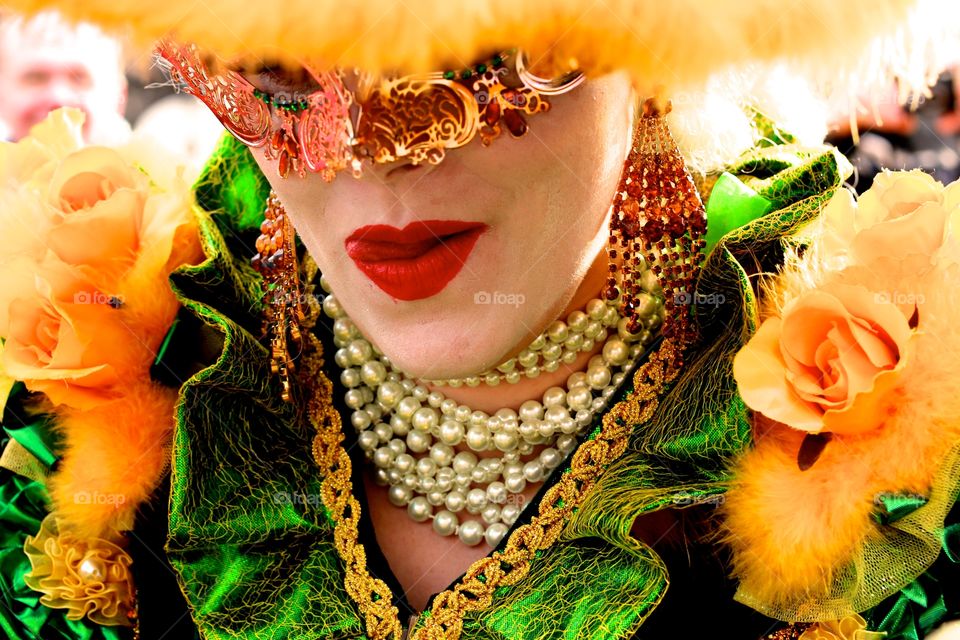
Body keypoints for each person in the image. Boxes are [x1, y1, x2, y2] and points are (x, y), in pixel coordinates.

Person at [0, 2, 958, 640]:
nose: (374, 163)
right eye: (282, 71)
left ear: (660, 52)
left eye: (474, 58)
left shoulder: (895, 462)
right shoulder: (107, 386)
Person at [0, 10, 127, 143]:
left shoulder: (146, 162)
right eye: (36, 78)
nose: (58, 98)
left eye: (79, 78)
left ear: (119, 97)